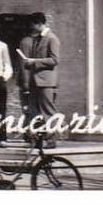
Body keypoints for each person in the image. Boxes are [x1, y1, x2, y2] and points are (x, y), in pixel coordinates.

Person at [17, 12, 60, 144]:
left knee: (48, 111)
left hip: (46, 82)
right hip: (36, 81)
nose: (31, 27)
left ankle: (52, 139)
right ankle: (38, 139)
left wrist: (34, 62)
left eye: (33, 24)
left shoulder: (52, 38)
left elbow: (54, 60)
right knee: (35, 111)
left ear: (39, 24)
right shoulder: (39, 38)